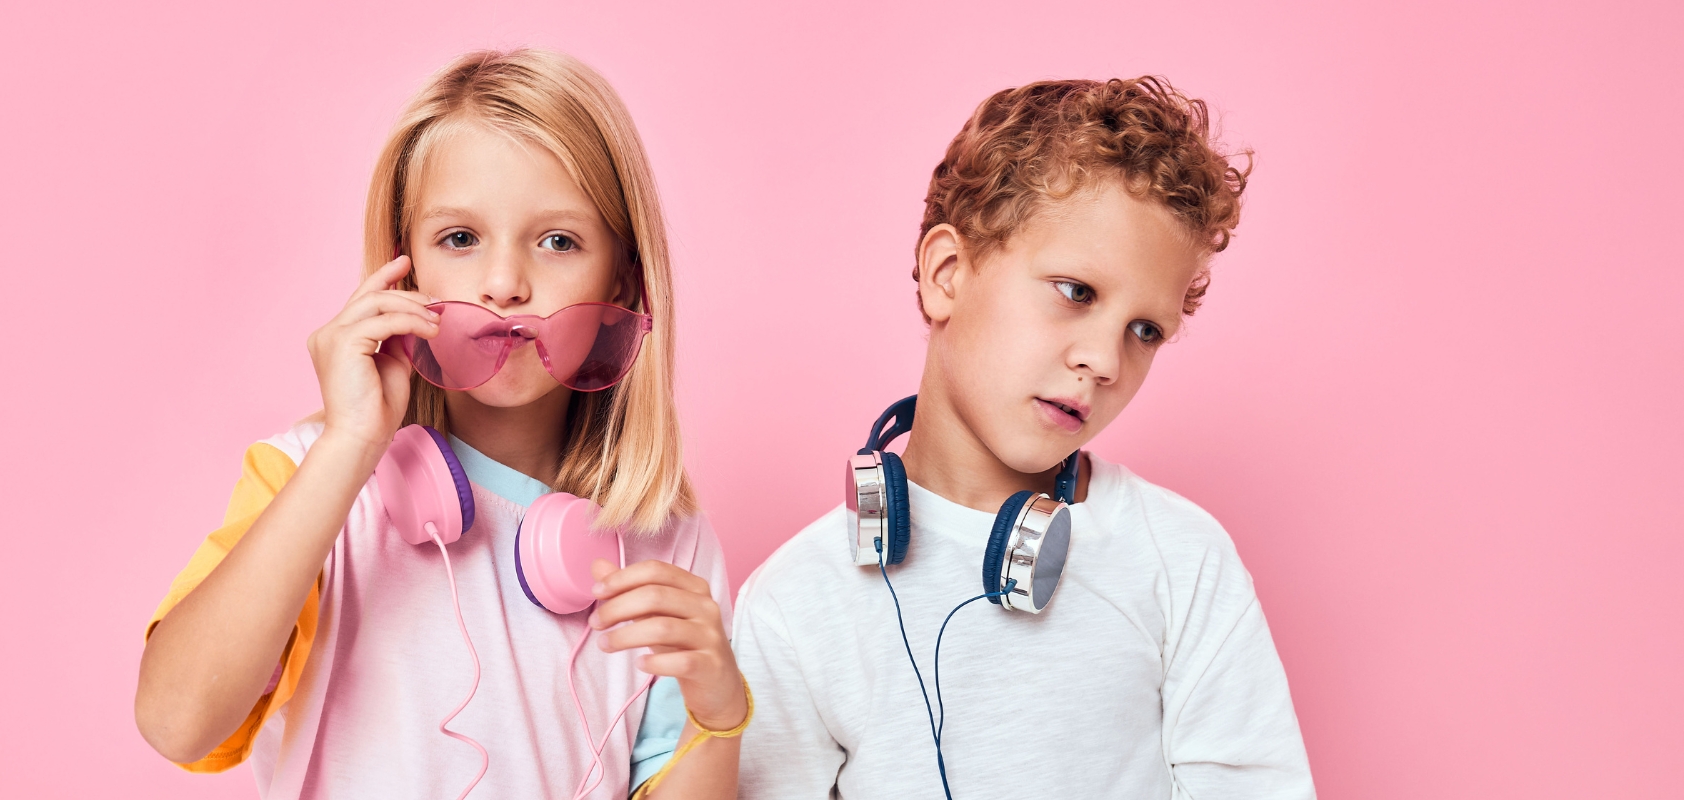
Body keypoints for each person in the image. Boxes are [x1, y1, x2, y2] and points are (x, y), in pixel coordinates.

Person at [135, 49, 746, 800]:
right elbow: (176, 721)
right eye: (460, 238)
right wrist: (349, 445)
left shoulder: (668, 543)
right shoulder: (311, 476)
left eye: (558, 241)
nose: (504, 284)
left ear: (621, 277)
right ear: (407, 268)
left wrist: (720, 715)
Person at [733, 78, 1314, 798]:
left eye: (1144, 331)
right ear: (947, 274)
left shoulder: (1179, 557)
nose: (1104, 361)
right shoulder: (795, 603)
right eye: (1076, 292)